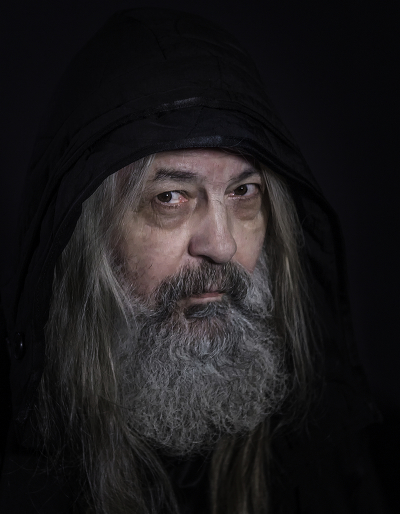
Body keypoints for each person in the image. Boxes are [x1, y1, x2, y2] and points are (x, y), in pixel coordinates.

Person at [0, 8, 387, 514]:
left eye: (244, 192)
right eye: (171, 198)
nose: (222, 246)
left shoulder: (341, 461)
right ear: (87, 232)